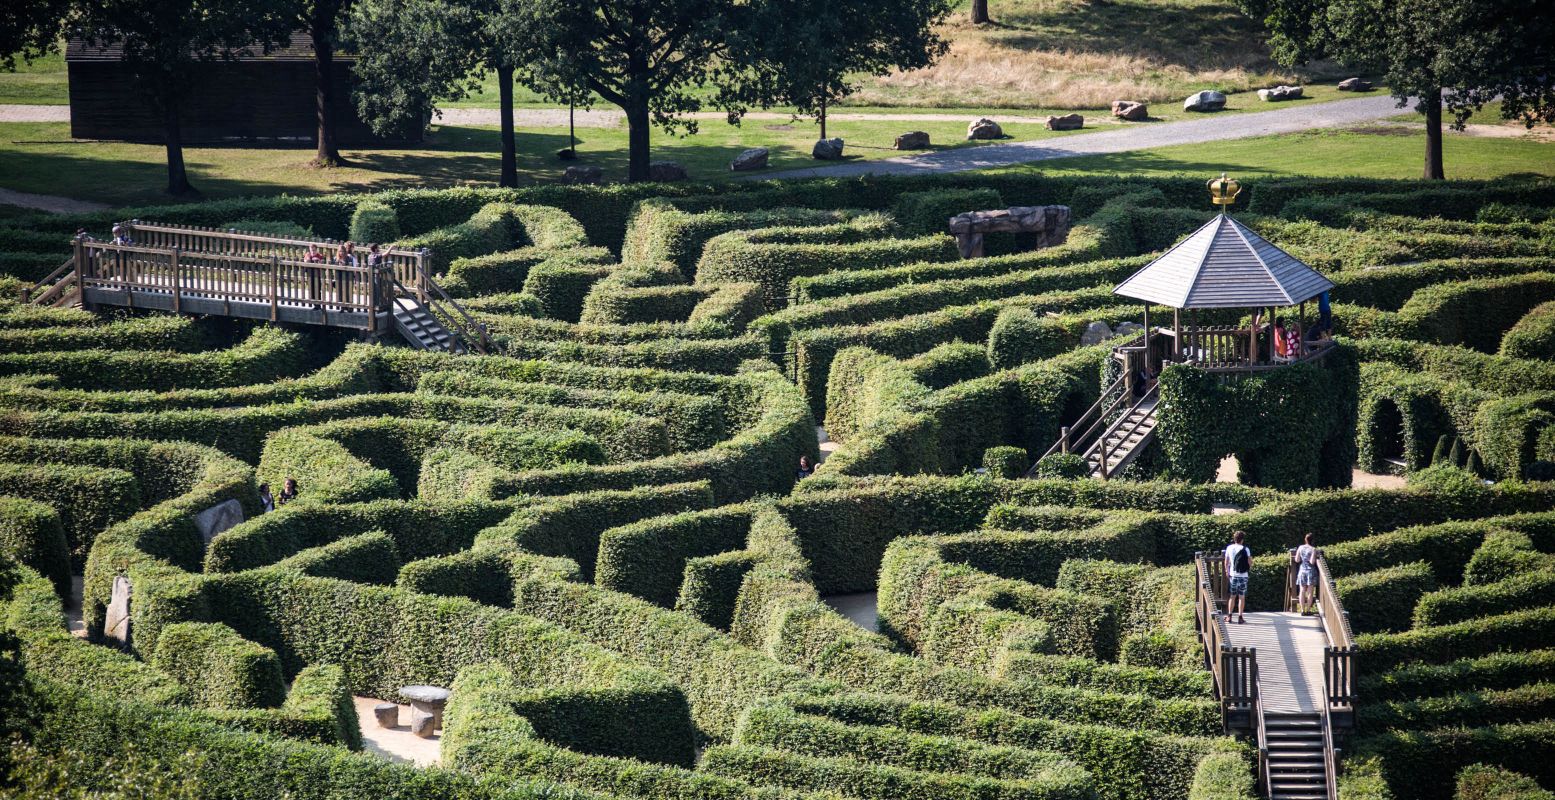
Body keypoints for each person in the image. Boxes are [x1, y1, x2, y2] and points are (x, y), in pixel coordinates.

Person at [1224, 531, 1251, 624]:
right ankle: (1240, 617)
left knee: (1232, 596)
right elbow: (1250, 562)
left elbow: (1226, 562)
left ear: (1234, 539)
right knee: (1241, 597)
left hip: (1233, 575)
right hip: (1243, 576)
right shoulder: (1245, 549)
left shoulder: (1229, 548)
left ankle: (1229, 616)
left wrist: (1227, 571)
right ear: (1242, 540)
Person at [1293, 534, 1318, 615]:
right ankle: (1308, 610)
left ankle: (1302, 610)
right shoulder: (1313, 549)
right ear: (1312, 540)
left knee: (1302, 591)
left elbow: (1297, 560)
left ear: (1305, 539)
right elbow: (1312, 562)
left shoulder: (1300, 547)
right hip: (1310, 571)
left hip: (1302, 571)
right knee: (1310, 592)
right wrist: (1314, 554)